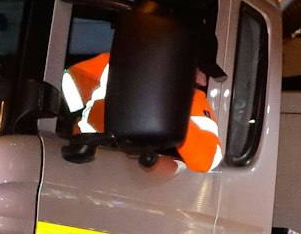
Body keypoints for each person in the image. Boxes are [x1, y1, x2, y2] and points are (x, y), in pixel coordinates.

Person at [61, 51, 223, 173]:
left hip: (130, 180)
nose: (203, 80)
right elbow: (61, 95)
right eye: (201, 71)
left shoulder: (194, 101)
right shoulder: (111, 64)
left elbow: (205, 161)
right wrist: (75, 129)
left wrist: (169, 103)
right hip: (77, 163)